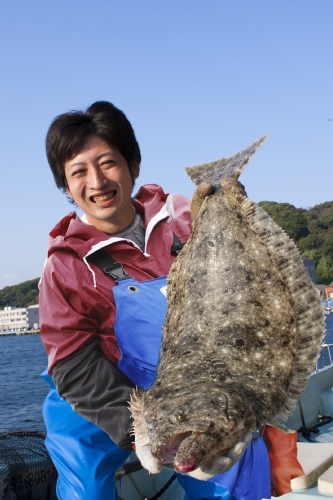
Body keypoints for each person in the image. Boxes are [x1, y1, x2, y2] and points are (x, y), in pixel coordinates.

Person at [39, 100, 273, 500]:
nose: (96, 182)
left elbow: (243, 293)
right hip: (99, 396)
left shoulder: (183, 217)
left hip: (194, 382)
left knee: (237, 476)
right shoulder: (65, 265)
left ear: (134, 165)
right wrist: (138, 429)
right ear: (65, 186)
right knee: (85, 491)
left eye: (107, 163)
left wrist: (234, 208)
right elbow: (73, 363)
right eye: (78, 172)